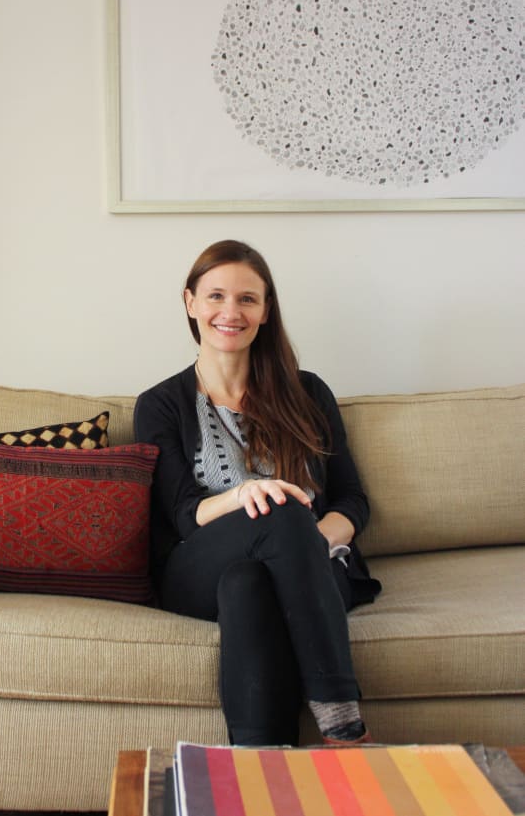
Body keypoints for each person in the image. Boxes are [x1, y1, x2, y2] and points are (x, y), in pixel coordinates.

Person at [134, 239, 381, 747]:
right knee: (279, 506)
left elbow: (352, 501)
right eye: (216, 296)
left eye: (248, 299)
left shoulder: (308, 393)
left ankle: (257, 763)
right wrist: (247, 495)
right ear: (190, 304)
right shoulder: (160, 404)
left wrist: (300, 547)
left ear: (266, 311)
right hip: (199, 566)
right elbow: (183, 515)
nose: (231, 311)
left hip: (310, 566)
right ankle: (340, 716)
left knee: (251, 585)